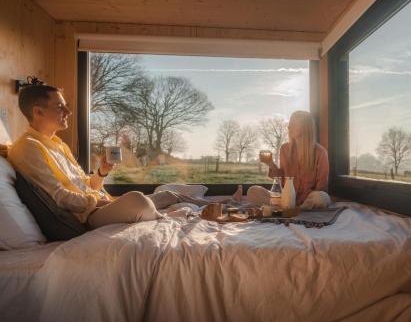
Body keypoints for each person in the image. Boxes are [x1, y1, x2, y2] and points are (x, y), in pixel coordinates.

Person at [8, 85, 205, 229]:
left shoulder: (58, 144)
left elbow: (88, 185)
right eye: (60, 106)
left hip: (101, 205)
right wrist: (98, 202)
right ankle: (168, 216)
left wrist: (101, 172)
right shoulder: (28, 148)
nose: (68, 111)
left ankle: (228, 205)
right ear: (38, 111)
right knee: (138, 200)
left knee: (167, 194)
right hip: (88, 216)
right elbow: (59, 197)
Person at [243, 111, 330, 209]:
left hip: (307, 201)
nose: (289, 127)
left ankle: (293, 209)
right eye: (290, 123)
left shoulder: (320, 153)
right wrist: (270, 163)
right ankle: (290, 208)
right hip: (285, 198)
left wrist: (308, 200)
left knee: (321, 197)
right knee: (253, 191)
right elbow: (281, 180)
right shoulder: (284, 149)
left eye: (294, 123)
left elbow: (321, 186)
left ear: (306, 127)